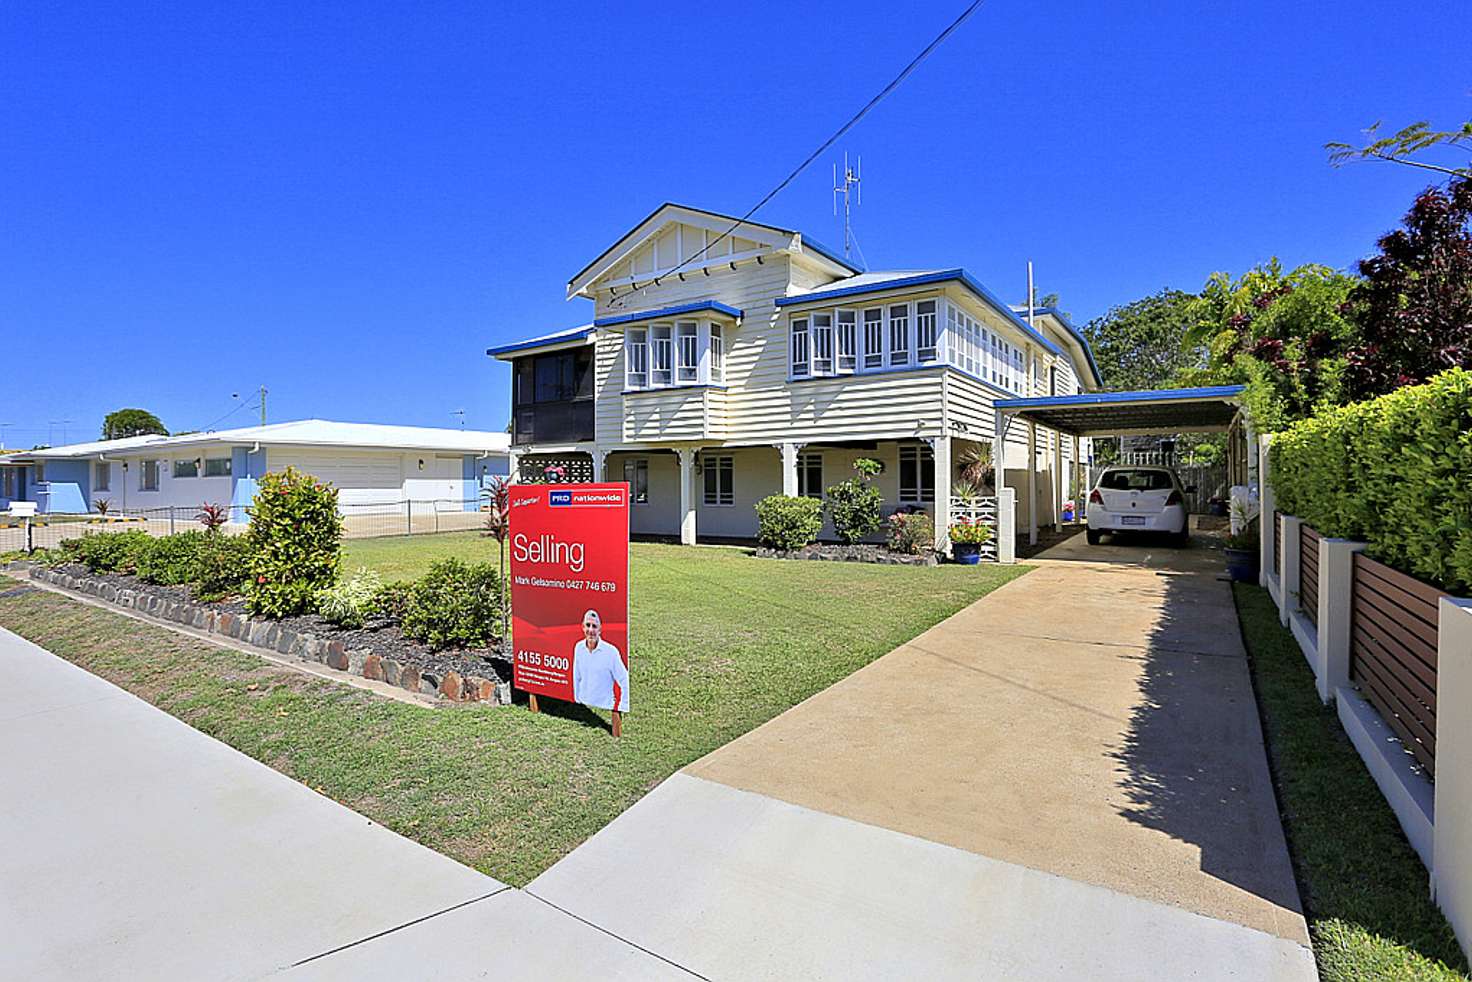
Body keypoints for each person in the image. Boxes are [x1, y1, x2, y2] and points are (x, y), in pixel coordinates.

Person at [571, 609, 628, 712]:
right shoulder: (578, 647)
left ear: (600, 629)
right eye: (588, 625)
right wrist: (577, 701)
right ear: (583, 627)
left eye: (594, 626)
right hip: (583, 706)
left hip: (605, 708)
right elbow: (577, 677)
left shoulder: (611, 652)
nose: (591, 630)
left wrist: (623, 706)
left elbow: (624, 679)